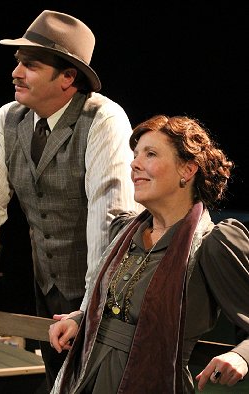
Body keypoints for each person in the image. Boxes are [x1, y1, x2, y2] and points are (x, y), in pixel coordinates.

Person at [0, 10, 140, 392]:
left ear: (68, 78)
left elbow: (110, 217)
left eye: (31, 65)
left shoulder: (103, 119)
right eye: (18, 62)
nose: (16, 73)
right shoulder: (8, 119)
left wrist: (90, 307)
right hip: (49, 290)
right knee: (57, 381)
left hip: (110, 298)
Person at [48, 114, 249, 393]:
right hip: (87, 378)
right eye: (135, 154)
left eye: (150, 154)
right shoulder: (124, 234)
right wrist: (82, 319)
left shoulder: (213, 243)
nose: (134, 163)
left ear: (187, 170)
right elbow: (121, 309)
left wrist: (242, 355)